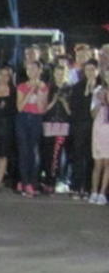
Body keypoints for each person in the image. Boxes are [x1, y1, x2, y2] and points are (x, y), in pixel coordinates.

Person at [16, 61, 49, 198]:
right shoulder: (22, 86)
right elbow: (20, 107)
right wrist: (30, 91)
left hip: (35, 119)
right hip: (23, 118)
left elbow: (42, 109)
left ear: (39, 71)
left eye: (34, 69)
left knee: (33, 151)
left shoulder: (44, 87)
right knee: (23, 150)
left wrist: (40, 92)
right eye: (28, 69)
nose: (31, 71)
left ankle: (32, 181)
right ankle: (23, 181)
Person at [41, 63, 72, 194]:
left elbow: (71, 112)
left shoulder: (69, 89)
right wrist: (54, 100)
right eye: (57, 74)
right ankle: (46, 179)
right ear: (54, 74)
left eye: (62, 74)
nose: (59, 76)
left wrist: (64, 102)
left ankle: (52, 181)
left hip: (62, 124)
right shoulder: (49, 88)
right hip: (49, 123)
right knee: (47, 153)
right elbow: (44, 109)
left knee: (57, 154)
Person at [70, 60, 99, 199]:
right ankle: (76, 186)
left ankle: (88, 187)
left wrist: (93, 91)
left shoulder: (102, 87)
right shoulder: (77, 87)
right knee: (78, 156)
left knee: (91, 158)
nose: (90, 72)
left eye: (93, 69)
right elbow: (75, 108)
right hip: (80, 126)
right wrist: (87, 92)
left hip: (97, 127)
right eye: (87, 70)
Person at [89, 82, 109, 205]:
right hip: (98, 131)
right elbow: (92, 114)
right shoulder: (98, 91)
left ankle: (102, 193)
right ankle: (94, 192)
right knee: (98, 164)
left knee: (108, 164)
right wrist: (101, 102)